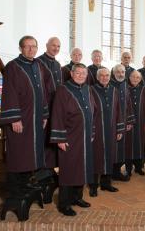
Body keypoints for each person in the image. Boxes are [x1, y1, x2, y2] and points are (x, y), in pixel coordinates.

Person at [0, 35, 51, 197]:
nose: (31, 49)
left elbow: (42, 91)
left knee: (32, 152)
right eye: (27, 46)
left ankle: (28, 183)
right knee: (19, 153)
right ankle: (16, 189)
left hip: (35, 119)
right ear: (21, 48)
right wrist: (15, 118)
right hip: (21, 119)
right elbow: (10, 94)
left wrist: (44, 114)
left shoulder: (38, 65)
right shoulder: (13, 66)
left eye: (34, 46)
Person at [50, 63, 97, 216]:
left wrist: (92, 132)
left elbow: (93, 112)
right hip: (70, 137)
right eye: (78, 73)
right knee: (69, 170)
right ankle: (64, 204)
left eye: (84, 73)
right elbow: (57, 114)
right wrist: (60, 139)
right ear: (71, 73)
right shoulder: (63, 90)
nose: (81, 75)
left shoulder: (87, 88)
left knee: (82, 168)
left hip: (85, 137)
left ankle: (77, 198)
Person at [89, 68, 124, 197]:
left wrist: (119, 129)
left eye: (107, 75)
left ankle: (106, 183)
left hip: (111, 129)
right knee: (96, 157)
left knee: (109, 156)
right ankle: (93, 185)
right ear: (97, 77)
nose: (104, 77)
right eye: (102, 75)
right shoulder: (91, 90)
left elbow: (118, 110)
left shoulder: (114, 90)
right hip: (97, 130)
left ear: (110, 77)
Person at [36, 37, 62, 198]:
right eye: (53, 45)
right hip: (44, 110)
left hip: (57, 109)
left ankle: (51, 171)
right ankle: (44, 174)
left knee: (54, 140)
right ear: (46, 46)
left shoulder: (58, 65)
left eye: (58, 46)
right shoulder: (38, 62)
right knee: (44, 141)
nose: (56, 48)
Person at [111, 64, 135, 181]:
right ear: (113, 73)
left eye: (122, 72)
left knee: (121, 148)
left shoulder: (125, 84)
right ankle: (108, 173)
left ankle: (117, 171)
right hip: (111, 121)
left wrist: (130, 120)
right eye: (118, 72)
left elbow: (129, 102)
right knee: (112, 147)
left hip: (124, 121)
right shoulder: (109, 84)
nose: (120, 74)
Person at [126, 70, 145, 176]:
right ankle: (128, 168)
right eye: (133, 77)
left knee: (140, 144)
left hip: (141, 121)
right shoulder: (125, 88)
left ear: (140, 79)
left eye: (137, 77)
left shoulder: (143, 89)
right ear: (129, 78)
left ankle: (138, 167)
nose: (135, 79)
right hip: (128, 122)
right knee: (129, 144)